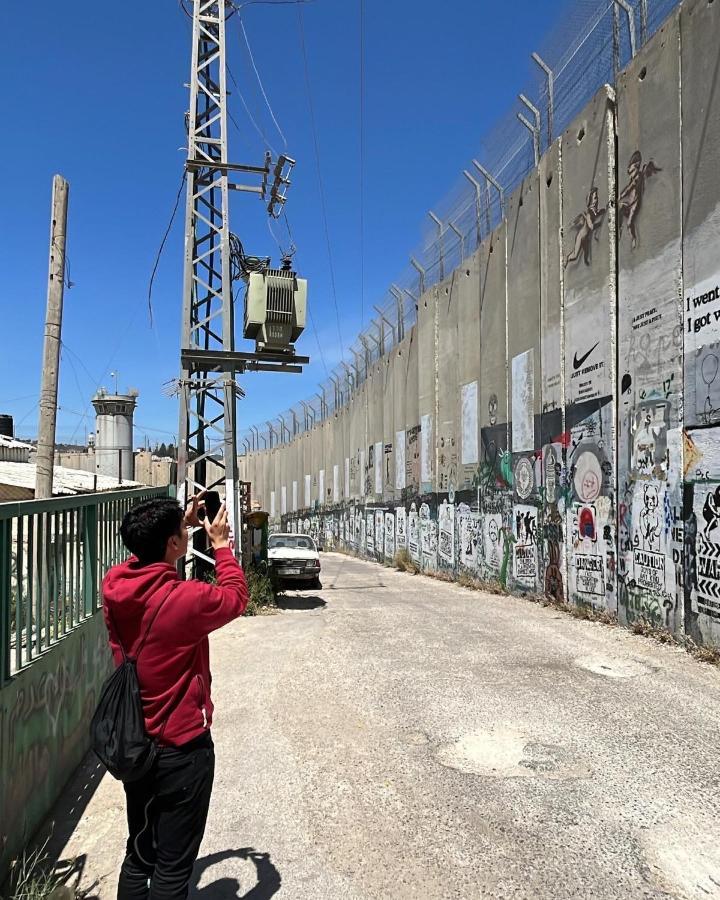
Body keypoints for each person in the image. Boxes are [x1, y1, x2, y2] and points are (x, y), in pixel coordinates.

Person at [102, 495, 248, 900]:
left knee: (139, 852)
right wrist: (221, 547)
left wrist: (176, 532)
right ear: (171, 544)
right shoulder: (188, 600)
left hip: (135, 743)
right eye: (181, 532)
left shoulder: (115, 584)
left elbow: (155, 577)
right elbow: (236, 597)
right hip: (182, 749)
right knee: (172, 868)